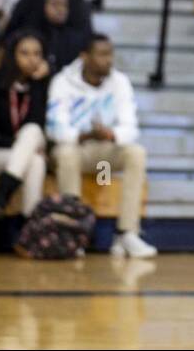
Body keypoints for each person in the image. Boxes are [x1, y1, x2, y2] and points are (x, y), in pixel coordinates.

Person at [46, 34, 157, 257]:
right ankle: (73, 233)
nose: (109, 60)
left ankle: (127, 233)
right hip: (77, 148)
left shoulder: (120, 82)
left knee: (136, 153)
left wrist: (110, 133)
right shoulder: (62, 82)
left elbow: (131, 127)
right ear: (85, 57)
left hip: (105, 154)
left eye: (111, 54)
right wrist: (85, 135)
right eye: (102, 54)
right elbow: (54, 129)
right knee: (66, 154)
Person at [0, 30, 50, 219]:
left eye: (37, 54)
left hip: (23, 155)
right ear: (12, 55)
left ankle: (7, 199)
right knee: (33, 155)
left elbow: (39, 123)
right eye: (24, 53)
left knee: (36, 155)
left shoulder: (42, 85)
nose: (32, 59)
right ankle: (30, 227)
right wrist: (18, 144)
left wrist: (37, 85)